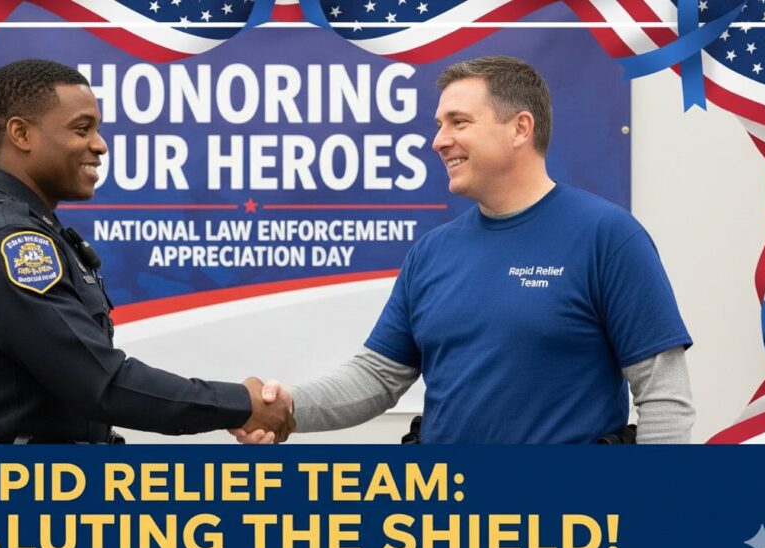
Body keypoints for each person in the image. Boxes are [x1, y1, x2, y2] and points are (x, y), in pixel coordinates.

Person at [234, 56, 693, 444]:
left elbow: (664, 398)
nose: (438, 141)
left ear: (520, 128)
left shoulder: (607, 237)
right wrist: (287, 406)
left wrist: (651, 504)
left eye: (459, 122)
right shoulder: (432, 252)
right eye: (439, 125)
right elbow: (377, 376)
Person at [0, 59, 293, 444]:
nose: (100, 145)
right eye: (81, 129)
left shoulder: (29, 228)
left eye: (97, 130)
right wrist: (240, 404)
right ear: (21, 133)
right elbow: (102, 384)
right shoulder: (9, 240)